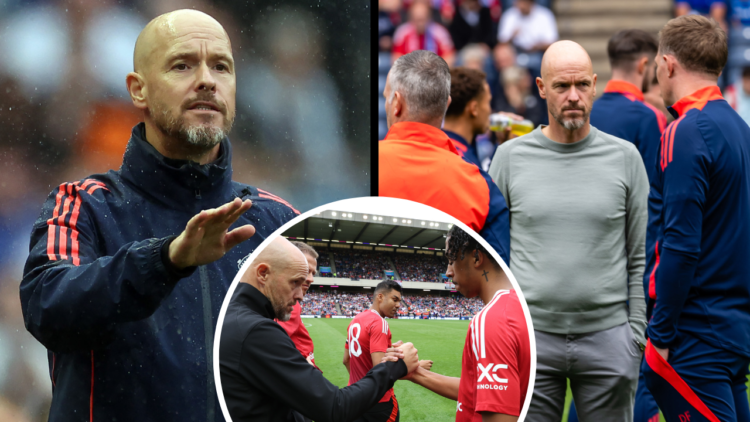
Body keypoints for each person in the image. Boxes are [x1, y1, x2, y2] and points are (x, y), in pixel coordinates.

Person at [19, 10, 300, 422]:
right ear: (139, 90)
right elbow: (49, 308)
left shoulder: (279, 221)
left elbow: (300, 376)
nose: (207, 80)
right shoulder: (84, 205)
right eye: (183, 65)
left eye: (221, 66)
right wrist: (166, 260)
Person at [488, 40, 648, 422]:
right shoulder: (510, 158)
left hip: (608, 338)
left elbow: (639, 255)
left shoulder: (625, 158)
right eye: (561, 87)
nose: (573, 96)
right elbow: (493, 255)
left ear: (595, 85)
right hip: (530, 338)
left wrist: (635, 337)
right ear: (542, 88)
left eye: (581, 85)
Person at [642, 15, 750, 422]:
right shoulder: (740, 129)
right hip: (731, 329)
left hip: (696, 334)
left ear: (668, 64)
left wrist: (662, 333)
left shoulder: (685, 130)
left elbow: (681, 243)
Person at [219, 237, 420, 422]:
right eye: (295, 283)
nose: (300, 296)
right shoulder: (257, 331)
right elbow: (335, 408)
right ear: (263, 273)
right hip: (379, 403)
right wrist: (397, 366)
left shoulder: (232, 316)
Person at [379, 50, 511, 265]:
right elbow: (499, 272)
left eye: (386, 97)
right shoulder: (482, 187)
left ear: (396, 103)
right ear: (447, 103)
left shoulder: (362, 171)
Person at [398, 225, 530, 421]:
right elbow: (476, 390)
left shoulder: (491, 319)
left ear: (476, 258)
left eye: (451, 260)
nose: (448, 272)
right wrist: (415, 373)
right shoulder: (520, 305)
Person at [590, 29, 666, 184]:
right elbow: (654, 186)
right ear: (643, 65)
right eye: (653, 69)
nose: (652, 75)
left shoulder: (587, 112)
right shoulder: (649, 116)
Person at [342, 280, 410, 422]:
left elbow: (346, 360)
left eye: (399, 301)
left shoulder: (355, 320)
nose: (398, 305)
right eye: (395, 299)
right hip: (379, 403)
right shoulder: (379, 322)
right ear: (380, 297)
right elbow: (381, 369)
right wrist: (416, 366)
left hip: (356, 397)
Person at [275, 241, 320, 370]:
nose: (311, 279)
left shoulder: (293, 302)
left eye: (313, 273)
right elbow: (275, 346)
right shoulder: (287, 302)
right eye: (306, 270)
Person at [443, 67, 493, 169]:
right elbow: (485, 183)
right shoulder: (464, 163)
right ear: (474, 108)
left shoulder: (434, 145)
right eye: (488, 102)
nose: (490, 110)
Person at [392, 1, 456, 67]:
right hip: (410, 72)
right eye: (417, 19)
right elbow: (396, 58)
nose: (420, 23)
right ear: (411, 17)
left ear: (428, 16)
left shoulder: (440, 32)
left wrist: (437, 71)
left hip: (434, 72)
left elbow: (450, 56)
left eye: (422, 19)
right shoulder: (402, 32)